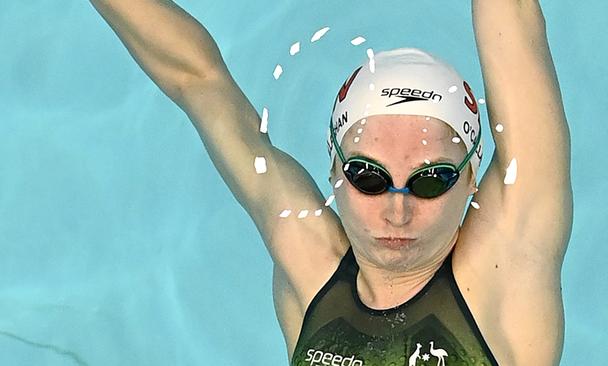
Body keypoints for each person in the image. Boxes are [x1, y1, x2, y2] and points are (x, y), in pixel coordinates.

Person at [90, 1, 573, 365]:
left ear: (470, 177)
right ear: (334, 171)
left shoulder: (505, 273)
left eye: (430, 181)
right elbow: (196, 79)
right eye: (368, 177)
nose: (397, 211)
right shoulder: (309, 264)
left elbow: (514, 24)